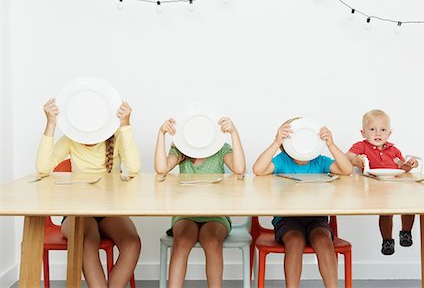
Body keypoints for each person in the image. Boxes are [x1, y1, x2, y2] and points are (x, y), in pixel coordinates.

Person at [36, 98, 141, 288]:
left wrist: (125, 125)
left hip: (109, 212)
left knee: (132, 243)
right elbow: (43, 168)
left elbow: (134, 168)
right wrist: (50, 124)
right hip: (78, 213)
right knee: (87, 240)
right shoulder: (70, 140)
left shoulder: (115, 136)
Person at [253, 117, 352, 288]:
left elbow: (347, 170)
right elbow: (258, 170)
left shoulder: (320, 161)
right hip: (287, 219)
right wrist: (276, 142)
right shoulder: (282, 160)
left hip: (316, 219)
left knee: (323, 241)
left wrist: (331, 145)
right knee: (295, 241)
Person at [154, 117, 245, 288]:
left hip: (215, 215)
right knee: (181, 241)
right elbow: (161, 169)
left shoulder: (220, 150)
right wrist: (161, 134)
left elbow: (240, 168)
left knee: (212, 242)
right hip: (186, 214)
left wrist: (233, 132)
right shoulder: (180, 152)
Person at [346, 109, 418, 255]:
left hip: (395, 185)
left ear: (389, 133)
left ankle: (406, 232)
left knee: (409, 206)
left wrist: (410, 164)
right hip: (375, 187)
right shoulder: (362, 146)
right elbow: (347, 156)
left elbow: (402, 166)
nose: (378, 134)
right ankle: (387, 241)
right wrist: (356, 160)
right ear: (363, 132)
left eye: (383, 130)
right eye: (372, 129)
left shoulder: (393, 150)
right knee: (386, 212)